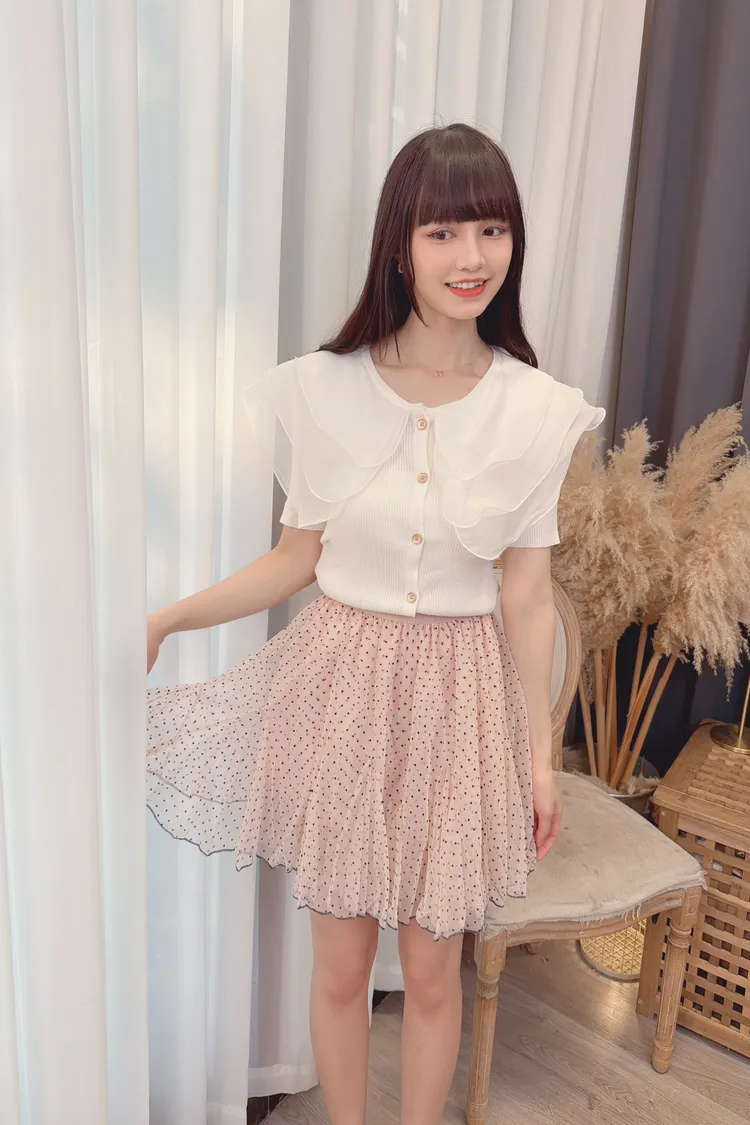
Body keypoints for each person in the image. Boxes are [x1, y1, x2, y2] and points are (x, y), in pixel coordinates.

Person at [146, 122, 606, 1125]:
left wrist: (538, 758)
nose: (472, 256)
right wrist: (171, 618)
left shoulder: (535, 410)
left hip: (460, 699)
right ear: (400, 245)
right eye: (444, 232)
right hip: (342, 691)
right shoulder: (326, 388)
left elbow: (527, 597)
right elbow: (293, 560)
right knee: (341, 963)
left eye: (491, 229)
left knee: (433, 969)